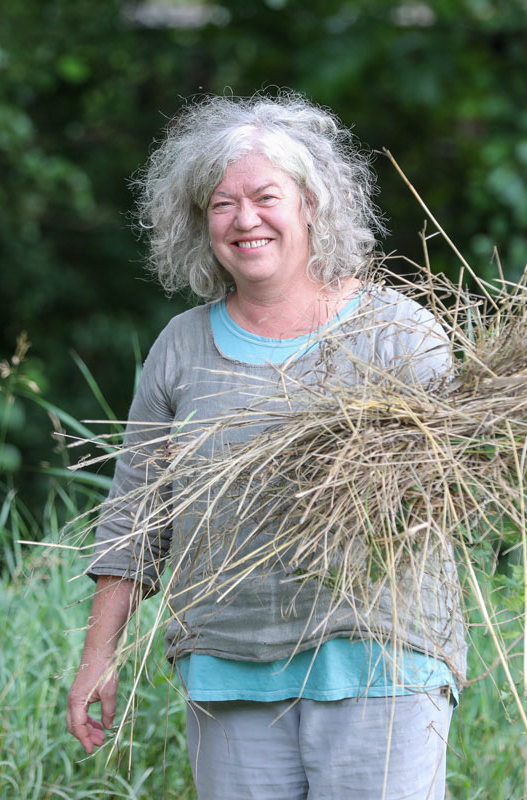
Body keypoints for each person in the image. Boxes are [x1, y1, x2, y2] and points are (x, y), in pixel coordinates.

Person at [66, 91, 466, 800]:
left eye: (265, 196)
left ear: (312, 203)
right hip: (230, 674)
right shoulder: (181, 349)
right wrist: (101, 653)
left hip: (377, 668)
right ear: (200, 224)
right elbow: (135, 515)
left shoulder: (398, 335)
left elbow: (460, 484)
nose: (245, 219)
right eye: (222, 204)